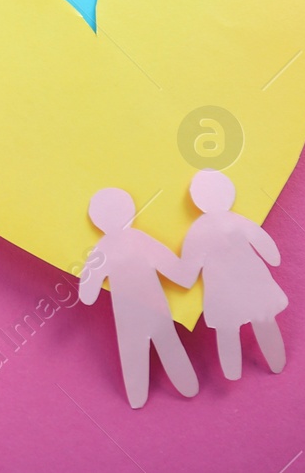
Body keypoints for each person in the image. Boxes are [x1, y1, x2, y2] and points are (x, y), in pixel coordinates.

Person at [79, 187, 200, 408]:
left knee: (134, 350)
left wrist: (87, 291)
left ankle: (138, 397)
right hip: (153, 308)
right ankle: (185, 385)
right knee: (167, 342)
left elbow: (87, 291)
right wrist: (186, 276)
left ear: (96, 220)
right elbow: (169, 264)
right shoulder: (137, 240)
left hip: (129, 315)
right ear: (130, 212)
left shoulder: (102, 249)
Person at [179, 168, 288, 379]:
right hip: (249, 278)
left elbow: (189, 271)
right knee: (261, 317)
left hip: (222, 286)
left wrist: (178, 271)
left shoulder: (197, 230)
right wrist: (272, 256)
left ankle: (232, 373)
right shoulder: (235, 220)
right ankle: (273, 363)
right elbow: (264, 245)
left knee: (228, 327)